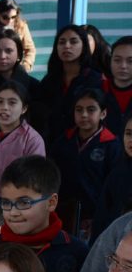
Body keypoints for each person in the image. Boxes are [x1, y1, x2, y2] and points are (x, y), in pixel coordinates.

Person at [50, 87, 121, 225]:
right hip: (62, 214)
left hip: (96, 217)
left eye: (91, 110)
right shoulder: (63, 141)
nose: (84, 115)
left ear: (103, 113)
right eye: (79, 109)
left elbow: (113, 188)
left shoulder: (112, 145)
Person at [40, 25, 102, 144]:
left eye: (73, 41)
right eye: (62, 42)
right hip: (52, 144)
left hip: (85, 143)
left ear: (84, 46)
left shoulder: (95, 80)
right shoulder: (49, 80)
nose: (67, 46)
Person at [95, 113, 132, 242]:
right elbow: (101, 220)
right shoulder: (118, 173)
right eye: (128, 133)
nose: (131, 140)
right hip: (113, 246)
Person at [103, 36, 132, 136]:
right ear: (110, 61)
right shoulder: (98, 90)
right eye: (117, 60)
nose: (123, 66)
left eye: (130, 61)